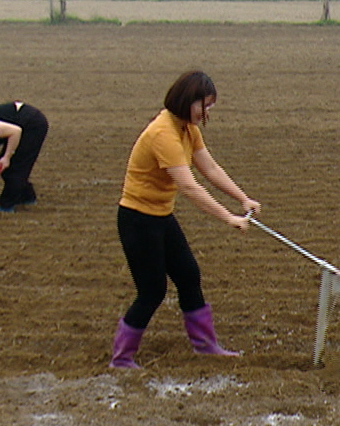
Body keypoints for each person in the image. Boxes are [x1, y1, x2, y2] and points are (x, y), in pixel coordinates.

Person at [111, 70, 260, 368]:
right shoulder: (162, 134)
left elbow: (211, 169)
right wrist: (228, 217)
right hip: (138, 220)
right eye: (204, 105)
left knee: (189, 275)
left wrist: (242, 198)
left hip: (160, 216)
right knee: (152, 291)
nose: (207, 112)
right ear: (187, 101)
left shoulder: (187, 129)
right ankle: (122, 358)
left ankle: (205, 347)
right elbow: (189, 186)